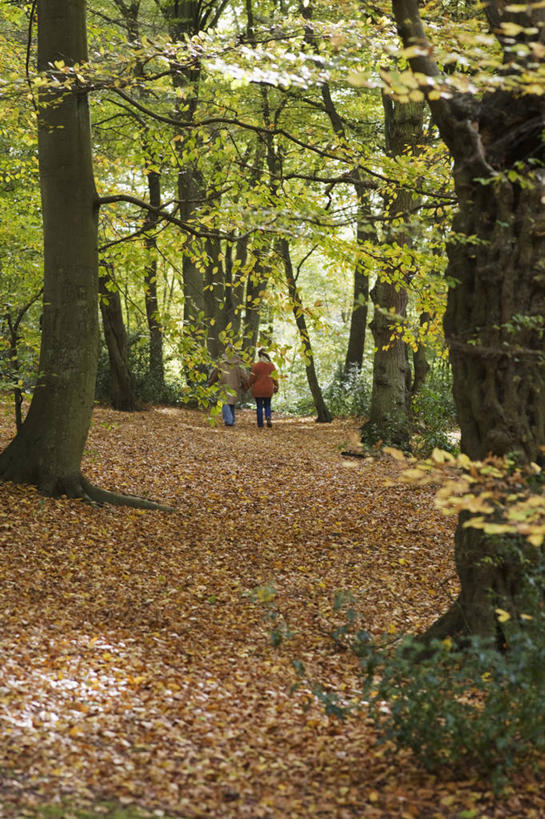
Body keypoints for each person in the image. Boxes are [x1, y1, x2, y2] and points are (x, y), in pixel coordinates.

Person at [208, 347, 248, 426]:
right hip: (235, 385)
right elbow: (244, 376)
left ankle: (229, 420)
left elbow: (215, 373)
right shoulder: (239, 363)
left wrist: (211, 382)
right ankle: (231, 420)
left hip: (224, 385)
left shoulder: (221, 362)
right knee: (231, 403)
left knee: (225, 402)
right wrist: (244, 385)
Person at [247, 349, 278, 428]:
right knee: (268, 405)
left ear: (259, 355)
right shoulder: (271, 365)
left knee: (259, 406)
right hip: (268, 388)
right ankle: (268, 416)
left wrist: (248, 386)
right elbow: (275, 377)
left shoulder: (256, 366)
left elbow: (252, 378)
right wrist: (276, 386)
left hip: (258, 389)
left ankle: (260, 424)